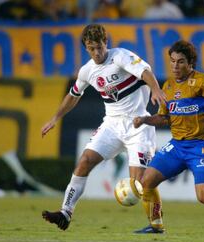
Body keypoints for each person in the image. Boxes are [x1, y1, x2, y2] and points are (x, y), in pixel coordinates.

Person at [41, 24, 166, 231]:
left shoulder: (120, 56)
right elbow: (73, 95)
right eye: (92, 48)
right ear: (86, 49)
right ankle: (65, 212)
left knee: (141, 183)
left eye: (99, 47)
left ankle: (156, 224)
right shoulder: (87, 71)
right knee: (85, 161)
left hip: (139, 124)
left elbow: (145, 71)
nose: (97, 52)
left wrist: (155, 89)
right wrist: (55, 118)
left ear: (105, 43)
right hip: (112, 125)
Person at [133, 40, 204, 233]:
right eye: (173, 61)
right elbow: (163, 118)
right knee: (146, 182)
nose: (175, 66)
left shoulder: (202, 81)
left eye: (181, 62)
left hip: (201, 146)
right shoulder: (167, 87)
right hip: (176, 146)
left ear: (191, 63)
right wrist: (144, 120)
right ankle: (156, 225)